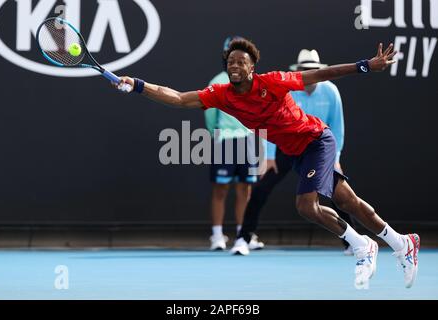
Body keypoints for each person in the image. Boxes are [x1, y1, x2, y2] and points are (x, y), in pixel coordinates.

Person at [114, 38, 419, 290]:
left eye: (240, 61)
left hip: (316, 140)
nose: (234, 66)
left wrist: (365, 65)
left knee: (305, 206)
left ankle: (363, 245)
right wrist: (139, 85)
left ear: (252, 67)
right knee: (347, 201)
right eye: (230, 62)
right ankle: (402, 243)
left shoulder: (273, 82)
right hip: (294, 150)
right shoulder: (222, 95)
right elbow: (180, 99)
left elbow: (321, 74)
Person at [237, 48, 357, 256]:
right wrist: (270, 156)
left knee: (338, 194)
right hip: (286, 148)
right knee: (259, 190)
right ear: (299, 71)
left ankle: (352, 242)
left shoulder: (331, 91)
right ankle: (244, 238)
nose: (309, 74)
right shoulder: (288, 89)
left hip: (317, 151)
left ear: (319, 70)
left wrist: (335, 158)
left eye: (313, 70)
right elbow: (272, 122)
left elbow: (337, 127)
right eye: (305, 70)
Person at [204, 36, 264, 250]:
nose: (236, 63)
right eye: (232, 58)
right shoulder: (217, 82)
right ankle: (217, 236)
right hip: (225, 141)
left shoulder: (254, 83)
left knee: (245, 190)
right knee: (220, 189)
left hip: (248, 140)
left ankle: (243, 234)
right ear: (226, 58)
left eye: (241, 60)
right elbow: (210, 117)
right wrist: (218, 135)